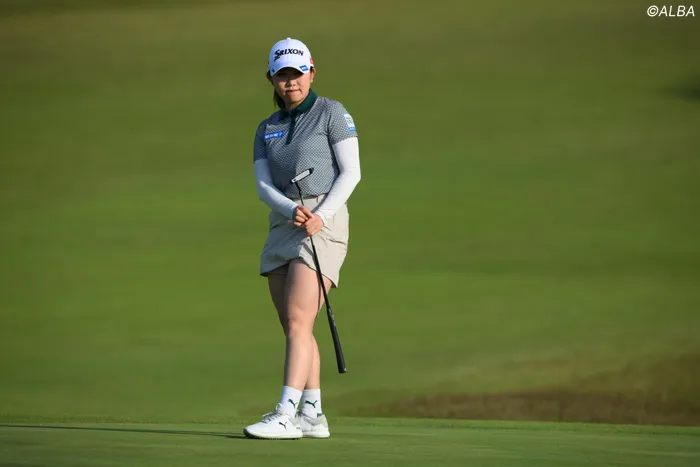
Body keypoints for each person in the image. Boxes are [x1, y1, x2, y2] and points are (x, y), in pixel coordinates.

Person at [243, 37, 361, 440]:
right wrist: (289, 210)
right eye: (282, 75)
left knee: (297, 319)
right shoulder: (267, 128)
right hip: (284, 221)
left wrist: (320, 215)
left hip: (323, 219)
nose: (290, 81)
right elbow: (263, 186)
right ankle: (312, 413)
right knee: (294, 324)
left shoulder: (332, 112)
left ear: (311, 72)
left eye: (297, 73)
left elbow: (352, 172)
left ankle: (285, 414)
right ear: (271, 79)